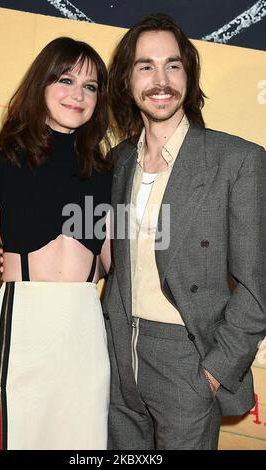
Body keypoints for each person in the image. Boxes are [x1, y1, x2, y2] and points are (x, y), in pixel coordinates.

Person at [102, 13, 266, 450]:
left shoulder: (237, 161)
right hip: (118, 353)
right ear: (126, 80)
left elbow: (257, 288)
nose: (161, 80)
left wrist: (212, 373)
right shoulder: (118, 162)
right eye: (146, 66)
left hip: (186, 360)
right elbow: (114, 259)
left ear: (189, 75)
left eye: (173, 65)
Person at [0, 36, 112, 450]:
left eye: (90, 87)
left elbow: (119, 264)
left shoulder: (107, 173)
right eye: (66, 79)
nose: (78, 95)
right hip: (18, 335)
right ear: (41, 84)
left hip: (85, 340)